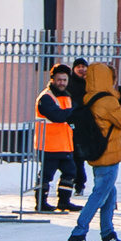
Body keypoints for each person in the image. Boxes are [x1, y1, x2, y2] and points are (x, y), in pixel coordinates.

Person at [68, 62, 121, 241]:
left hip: (97, 152)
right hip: (109, 154)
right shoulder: (107, 101)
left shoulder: (90, 98)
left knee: (109, 194)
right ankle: (78, 233)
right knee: (99, 195)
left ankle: (108, 235)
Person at [35, 64, 85, 212]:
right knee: (46, 175)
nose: (62, 83)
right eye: (59, 80)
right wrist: (74, 110)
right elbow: (57, 116)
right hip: (48, 145)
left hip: (65, 144)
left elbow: (72, 116)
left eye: (64, 79)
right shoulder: (46, 97)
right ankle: (41, 203)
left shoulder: (67, 97)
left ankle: (64, 202)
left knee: (70, 173)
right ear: (53, 80)